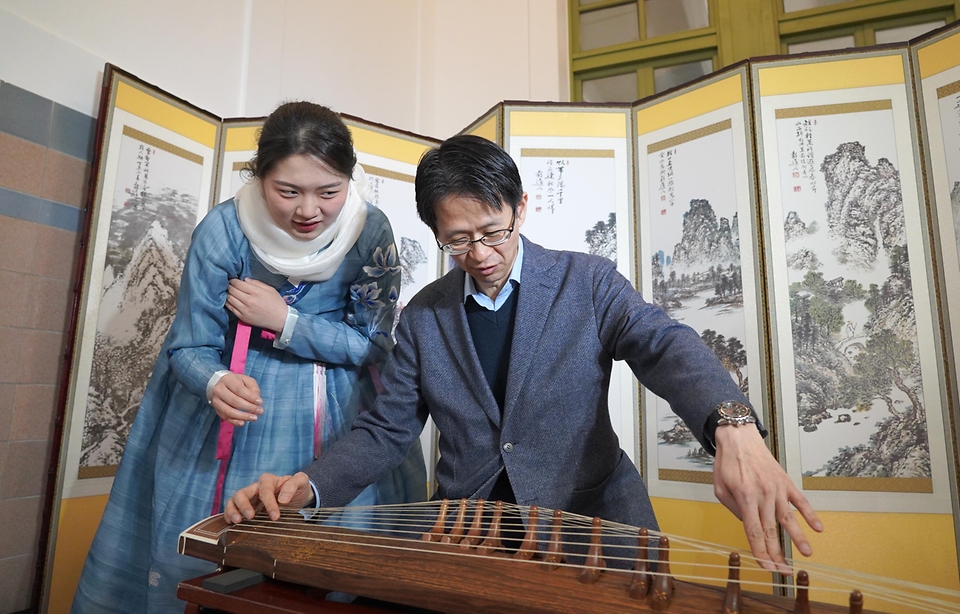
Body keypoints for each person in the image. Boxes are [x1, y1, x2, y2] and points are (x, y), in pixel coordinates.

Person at [226, 134, 822, 575]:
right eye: (456, 240)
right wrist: (308, 484)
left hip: (596, 521)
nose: (479, 253)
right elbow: (386, 431)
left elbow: (663, 343)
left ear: (521, 209)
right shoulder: (424, 316)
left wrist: (733, 425)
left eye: (492, 231)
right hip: (472, 531)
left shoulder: (586, 282)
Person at [72, 102, 427, 613]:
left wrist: (285, 323)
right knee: (212, 568)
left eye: (329, 192)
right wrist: (214, 382)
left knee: (335, 570)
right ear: (259, 176)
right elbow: (189, 346)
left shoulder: (370, 231)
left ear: (351, 179)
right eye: (288, 191)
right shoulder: (224, 230)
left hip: (339, 419)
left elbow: (374, 344)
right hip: (235, 412)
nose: (309, 210)